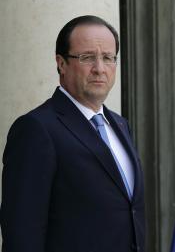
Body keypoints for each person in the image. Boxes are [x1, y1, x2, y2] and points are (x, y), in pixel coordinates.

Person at [1, 15, 145, 252]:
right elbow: (22, 232)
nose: (99, 68)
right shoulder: (36, 129)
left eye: (108, 58)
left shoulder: (120, 125)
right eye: (87, 57)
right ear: (61, 63)